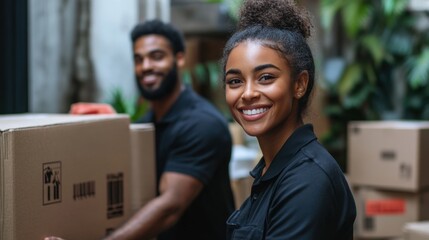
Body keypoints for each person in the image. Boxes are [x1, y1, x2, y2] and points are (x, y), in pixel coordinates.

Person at [71, 20, 235, 240]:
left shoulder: (203, 124)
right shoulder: (146, 124)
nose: (146, 66)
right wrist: (109, 127)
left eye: (156, 56)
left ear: (179, 59)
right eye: (138, 59)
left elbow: (170, 207)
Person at [221, 0, 356, 239]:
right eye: (235, 81)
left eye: (265, 78)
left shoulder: (308, 180)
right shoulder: (270, 170)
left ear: (299, 84)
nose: (248, 93)